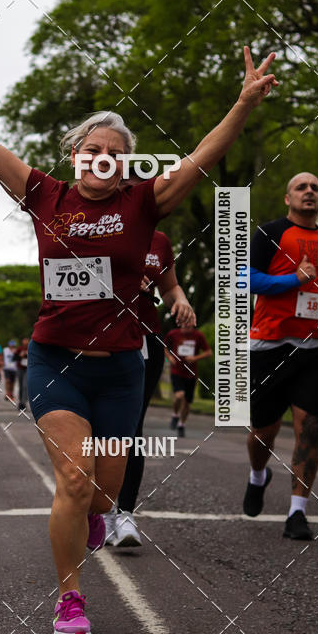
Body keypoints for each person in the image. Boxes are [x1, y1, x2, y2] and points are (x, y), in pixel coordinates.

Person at [0, 38, 277, 634]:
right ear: (76, 154)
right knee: (74, 481)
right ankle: (70, 598)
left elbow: (203, 159)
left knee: (103, 499)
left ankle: (93, 519)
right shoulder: (44, 195)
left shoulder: (144, 203)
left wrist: (242, 103)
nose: (101, 159)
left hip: (122, 371)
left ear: (125, 163)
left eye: (114, 153)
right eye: (92, 149)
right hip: (55, 363)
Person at [244, 172, 318, 540]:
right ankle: (258, 475)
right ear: (287, 199)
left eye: (315, 188)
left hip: (316, 348)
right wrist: (294, 280)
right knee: (263, 431)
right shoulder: (270, 233)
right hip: (270, 345)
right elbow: (245, 279)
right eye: (301, 187)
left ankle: (297, 512)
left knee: (310, 426)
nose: (309, 191)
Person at [105, 229, 195, 547]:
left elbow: (169, 287)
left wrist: (181, 302)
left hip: (145, 337)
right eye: (123, 180)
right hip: (95, 336)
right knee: (94, 426)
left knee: (132, 427)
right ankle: (99, 512)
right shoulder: (87, 225)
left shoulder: (159, 239)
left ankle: (125, 514)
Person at [164, 324, 212, 438]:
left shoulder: (198, 335)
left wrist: (195, 358)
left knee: (187, 402)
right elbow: (164, 346)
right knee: (179, 395)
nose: (187, 327)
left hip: (191, 374)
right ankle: (175, 415)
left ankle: (181, 424)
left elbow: (209, 352)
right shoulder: (173, 334)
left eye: (189, 324)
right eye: (184, 323)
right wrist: (170, 358)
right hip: (177, 371)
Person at [15, 336, 30, 411]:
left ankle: (24, 403)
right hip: (20, 368)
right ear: (22, 341)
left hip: (28, 369)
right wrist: (20, 355)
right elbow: (14, 358)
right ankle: (20, 401)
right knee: (21, 386)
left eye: (27, 340)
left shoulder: (31, 348)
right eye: (24, 340)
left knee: (25, 386)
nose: (26, 342)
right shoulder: (19, 348)